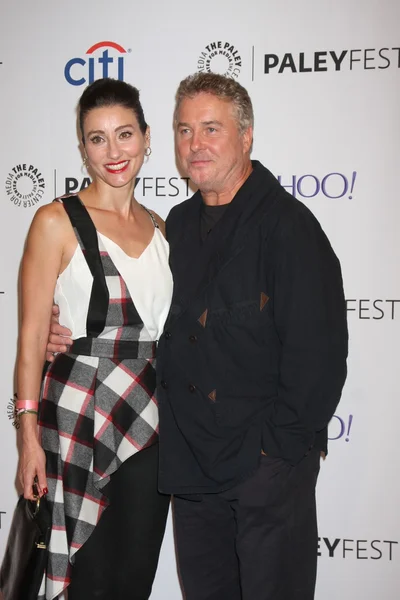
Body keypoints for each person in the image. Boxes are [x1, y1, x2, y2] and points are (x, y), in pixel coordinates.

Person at [47, 72, 348, 600]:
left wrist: (274, 456)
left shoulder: (289, 227)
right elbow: (137, 317)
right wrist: (67, 335)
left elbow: (319, 358)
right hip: (191, 470)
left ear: (246, 135)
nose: (195, 144)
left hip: (264, 472)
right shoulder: (174, 228)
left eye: (211, 128)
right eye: (184, 130)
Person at [16, 77, 172, 600]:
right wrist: (26, 437)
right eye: (97, 138)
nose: (113, 151)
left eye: (124, 134)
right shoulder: (54, 222)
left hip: (150, 418)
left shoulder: (164, 228)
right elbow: (32, 337)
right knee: (87, 578)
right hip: (76, 415)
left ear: (147, 138)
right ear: (81, 147)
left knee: (134, 578)